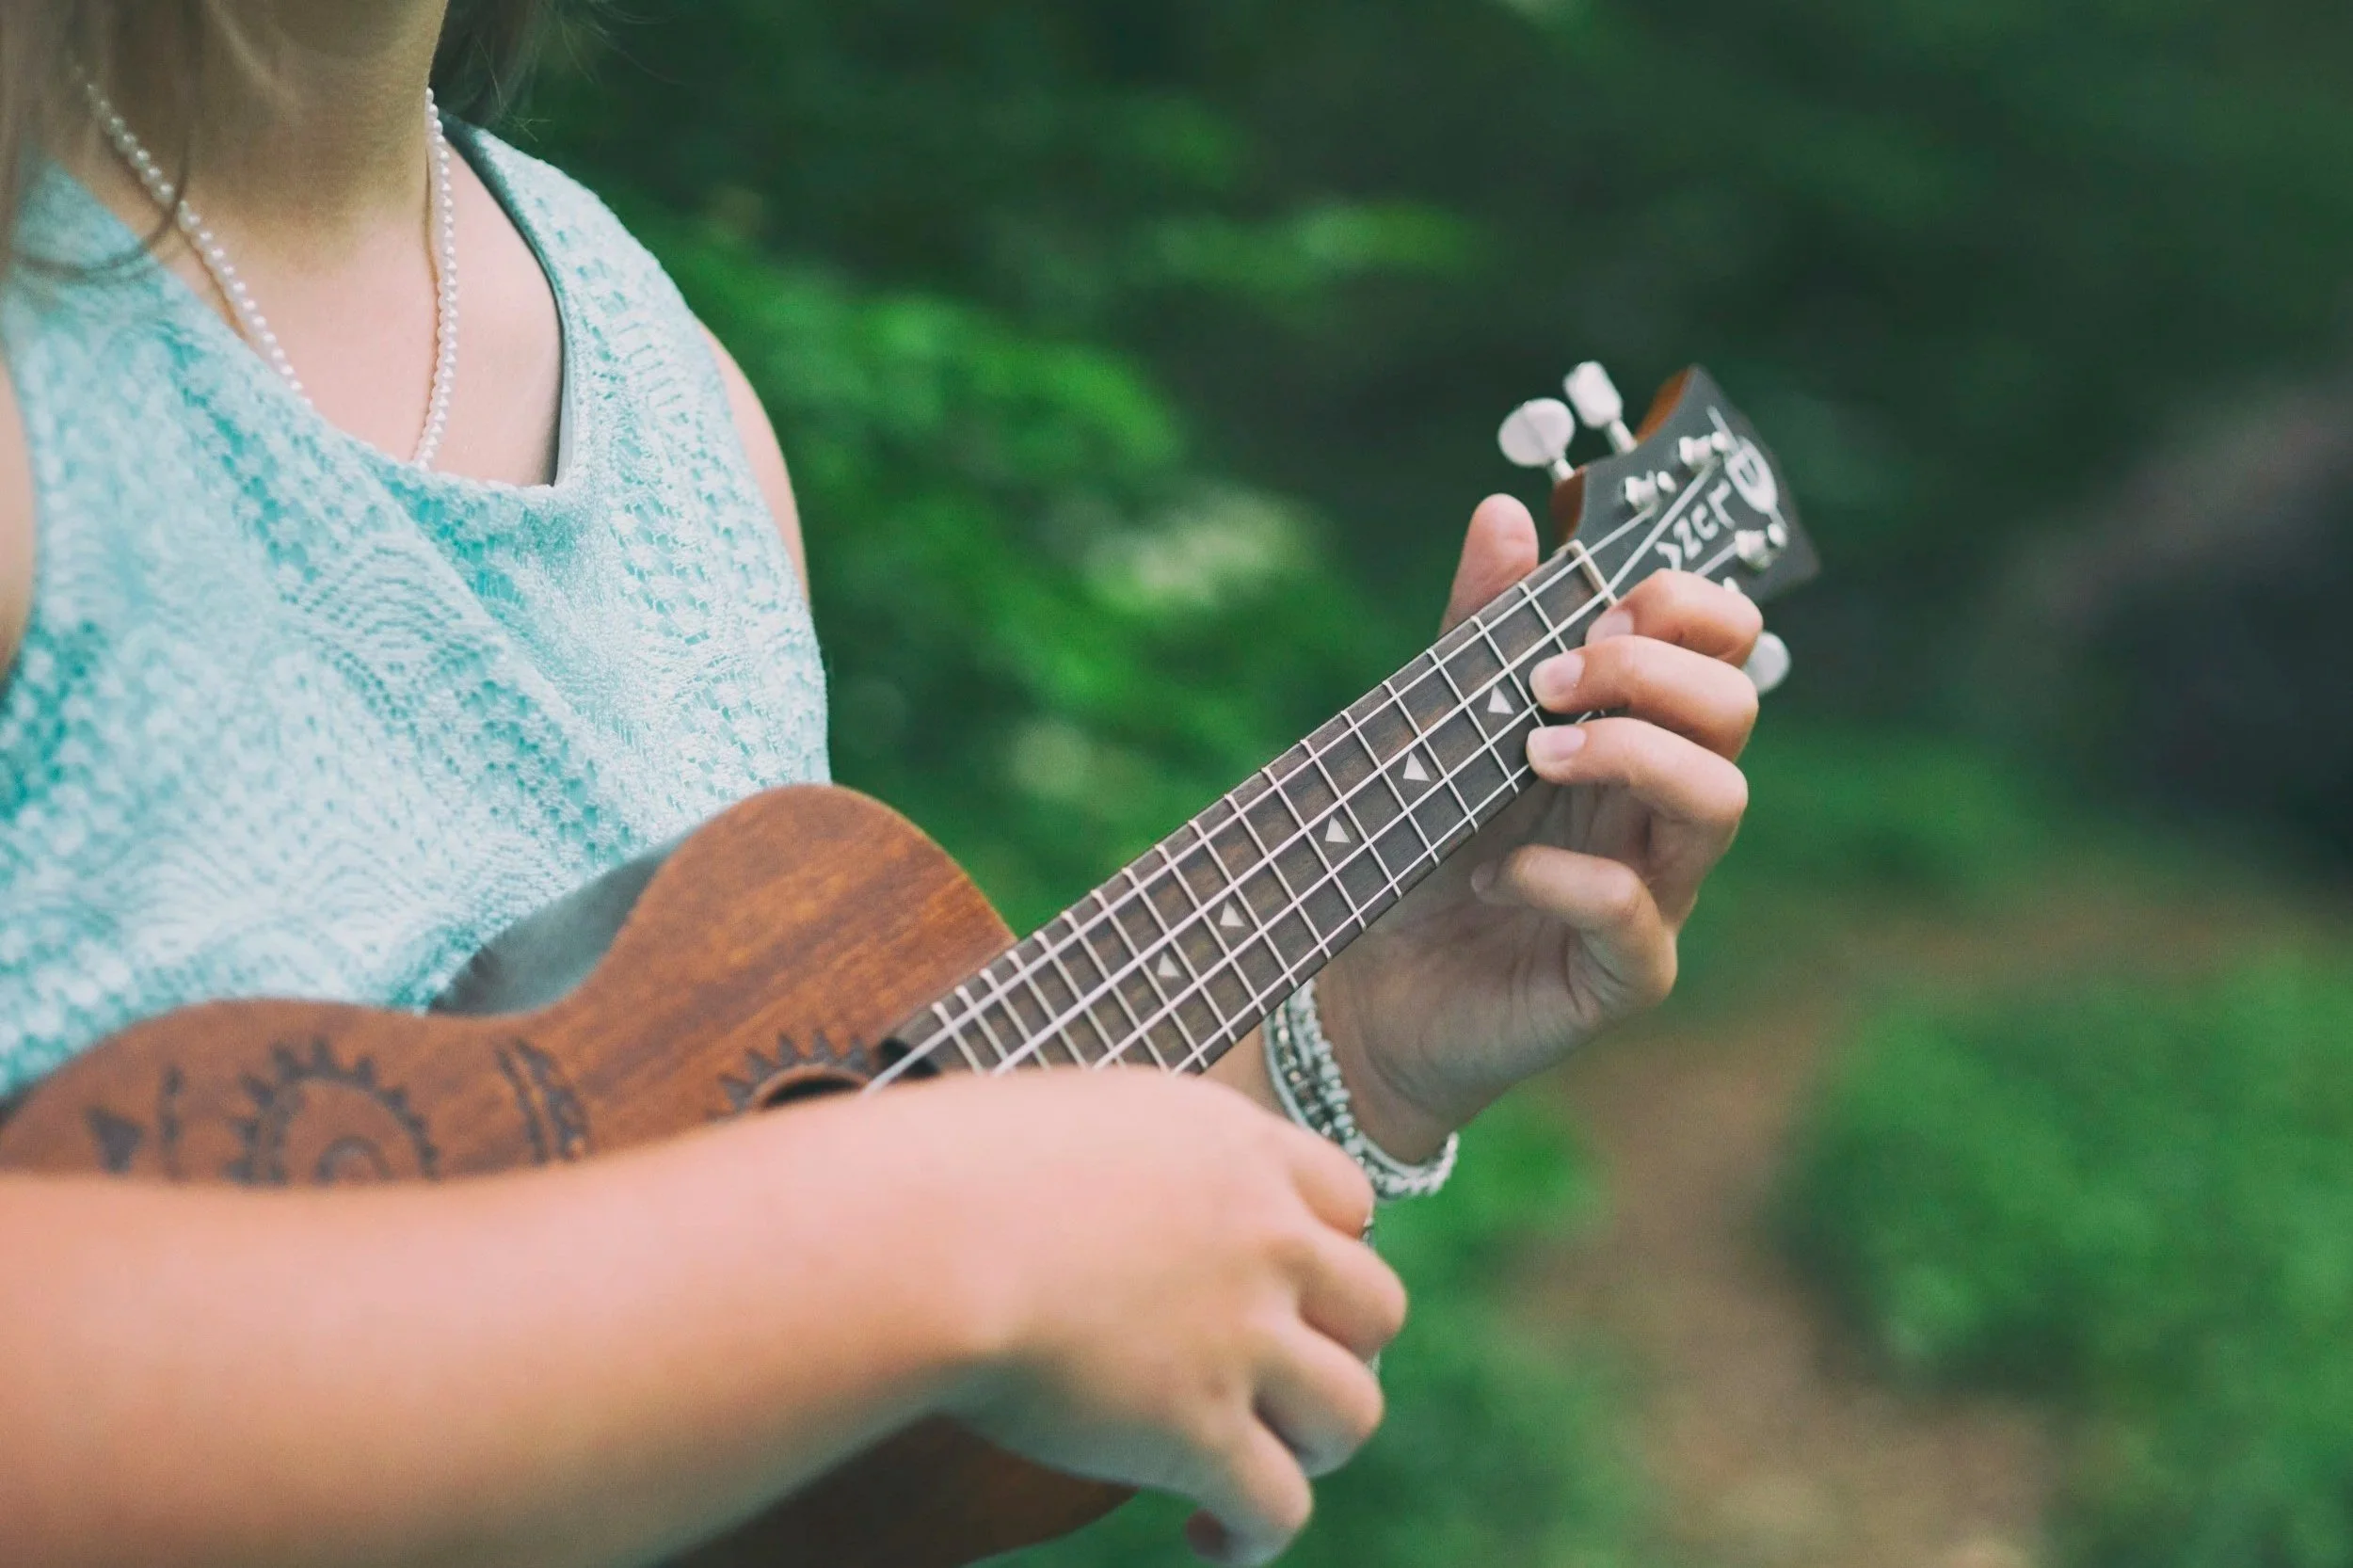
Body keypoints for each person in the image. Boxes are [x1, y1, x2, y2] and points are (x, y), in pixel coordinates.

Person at [0, 4, 1765, 1566]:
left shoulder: (679, 405)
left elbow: (770, 1405)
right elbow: (862, 1248)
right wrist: (918, 1237)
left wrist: (1351, 1039)